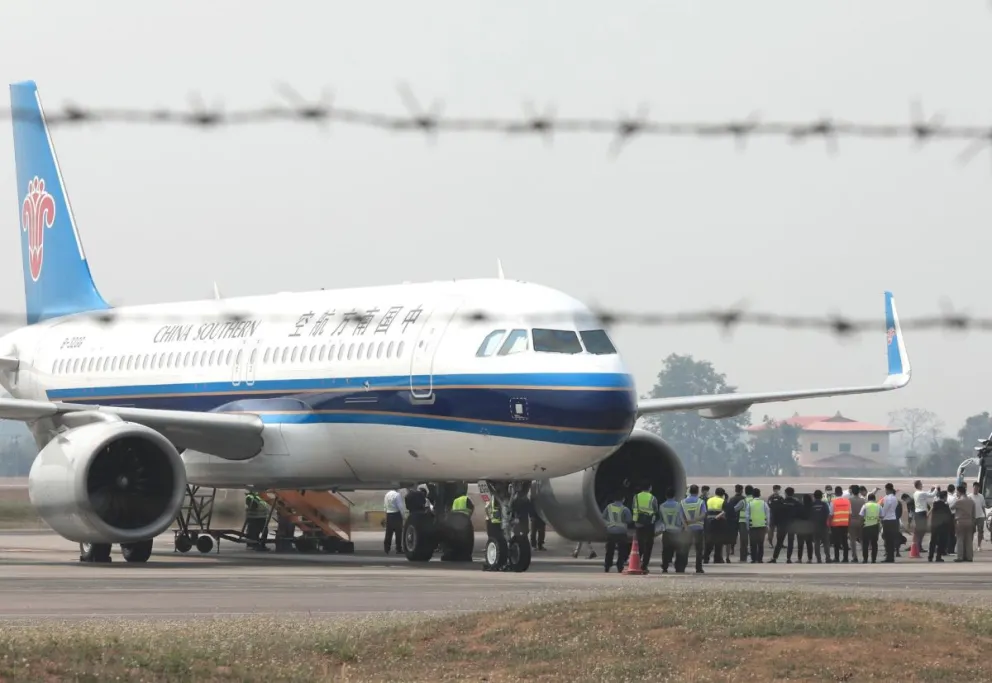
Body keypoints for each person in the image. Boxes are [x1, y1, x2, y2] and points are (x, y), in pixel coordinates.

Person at [632, 482, 660, 571]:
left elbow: (633, 507)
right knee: (648, 544)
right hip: (649, 523)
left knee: (640, 543)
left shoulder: (636, 497)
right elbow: (656, 509)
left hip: (638, 522)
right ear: (649, 488)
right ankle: (644, 565)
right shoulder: (652, 498)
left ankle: (637, 562)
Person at [601, 493, 632, 572]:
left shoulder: (609, 507)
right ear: (623, 499)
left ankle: (607, 565)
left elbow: (603, 517)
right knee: (622, 550)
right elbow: (629, 520)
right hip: (621, 532)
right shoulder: (625, 509)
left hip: (611, 531)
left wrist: (608, 525)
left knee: (609, 550)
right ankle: (620, 565)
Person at [679, 484, 706, 574]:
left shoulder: (683, 502)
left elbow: (681, 516)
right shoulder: (700, 502)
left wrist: (686, 526)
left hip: (687, 529)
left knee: (685, 548)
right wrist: (695, 520)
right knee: (699, 550)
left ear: (689, 491)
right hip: (698, 528)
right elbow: (703, 514)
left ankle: (682, 567)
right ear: (697, 492)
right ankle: (698, 568)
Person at [771, 487, 801, 563]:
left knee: (779, 542)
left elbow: (776, 513)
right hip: (792, 525)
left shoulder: (781, 502)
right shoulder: (797, 503)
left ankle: (774, 558)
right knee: (790, 542)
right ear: (793, 493)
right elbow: (800, 514)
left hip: (782, 525)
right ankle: (788, 558)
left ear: (786, 493)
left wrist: (776, 523)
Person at [659, 488, 683, 573]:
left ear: (666, 496)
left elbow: (661, 520)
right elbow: (682, 518)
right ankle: (678, 567)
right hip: (677, 531)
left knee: (666, 550)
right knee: (679, 550)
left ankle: (665, 566)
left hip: (667, 531)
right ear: (674, 496)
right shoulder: (679, 505)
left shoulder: (661, 506)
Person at [745, 487, 770, 563]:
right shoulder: (764, 503)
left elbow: (747, 516)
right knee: (761, 544)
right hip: (762, 526)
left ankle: (753, 558)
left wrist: (747, 526)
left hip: (752, 526)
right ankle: (760, 559)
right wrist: (767, 525)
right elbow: (768, 515)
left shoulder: (750, 504)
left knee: (753, 544)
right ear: (759, 494)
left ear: (752, 495)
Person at [704, 487, 727, 563]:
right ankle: (717, 558)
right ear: (722, 494)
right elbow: (725, 511)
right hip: (719, 522)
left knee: (709, 541)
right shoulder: (722, 501)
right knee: (718, 541)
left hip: (709, 522)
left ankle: (706, 557)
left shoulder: (709, 500)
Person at [953, 483, 976, 562]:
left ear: (959, 492)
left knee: (960, 540)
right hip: (969, 522)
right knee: (969, 540)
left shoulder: (959, 501)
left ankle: (960, 557)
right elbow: (974, 513)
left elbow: (951, 507)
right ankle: (969, 557)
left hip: (960, 522)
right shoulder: (971, 501)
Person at [927, 490, 952, 562]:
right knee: (941, 542)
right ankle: (938, 557)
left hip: (934, 526)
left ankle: (930, 557)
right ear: (944, 497)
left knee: (933, 542)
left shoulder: (935, 504)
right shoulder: (945, 506)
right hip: (942, 527)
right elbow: (948, 517)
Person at [912, 480, 935, 555]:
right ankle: (918, 546)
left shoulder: (916, 493)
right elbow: (931, 495)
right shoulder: (921, 493)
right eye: (921, 484)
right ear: (919, 485)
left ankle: (918, 546)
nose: (922, 485)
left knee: (920, 531)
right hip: (921, 513)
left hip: (917, 513)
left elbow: (926, 494)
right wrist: (937, 489)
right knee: (922, 531)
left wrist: (931, 490)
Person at [828, 486, 851, 563]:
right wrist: (849, 523)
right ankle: (845, 558)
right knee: (845, 542)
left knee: (836, 542)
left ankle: (837, 558)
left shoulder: (833, 502)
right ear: (841, 493)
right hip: (845, 524)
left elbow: (831, 514)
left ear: (835, 493)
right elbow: (850, 514)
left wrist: (829, 524)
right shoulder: (847, 501)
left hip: (836, 524)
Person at [734, 485, 754, 562]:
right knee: (754, 541)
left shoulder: (743, 501)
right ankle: (754, 557)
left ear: (745, 492)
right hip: (754, 523)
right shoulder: (755, 501)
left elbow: (735, 509)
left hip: (743, 523)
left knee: (743, 542)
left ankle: (743, 558)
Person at [859, 493, 881, 563]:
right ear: (874, 499)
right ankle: (873, 559)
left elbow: (861, 515)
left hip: (866, 526)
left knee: (865, 544)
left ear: (868, 499)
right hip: (875, 526)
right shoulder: (878, 506)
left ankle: (865, 559)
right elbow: (882, 515)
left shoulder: (865, 505)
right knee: (874, 543)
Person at [880, 483, 899, 563]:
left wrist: (881, 516)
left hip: (887, 520)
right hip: (893, 519)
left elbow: (884, 509)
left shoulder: (887, 498)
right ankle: (891, 557)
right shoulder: (895, 498)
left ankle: (889, 557)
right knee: (891, 540)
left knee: (887, 540)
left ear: (887, 489)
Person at [810, 489, 831, 563]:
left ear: (814, 496)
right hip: (824, 526)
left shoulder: (811, 504)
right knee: (826, 543)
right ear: (822, 496)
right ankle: (828, 558)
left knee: (816, 543)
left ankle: (818, 559)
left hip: (815, 526)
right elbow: (828, 514)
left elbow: (810, 516)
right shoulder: (824, 504)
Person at [383, 488, 405, 554]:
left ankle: (386, 548)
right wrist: (403, 516)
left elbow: (385, 506)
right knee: (398, 533)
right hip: (396, 515)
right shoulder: (397, 495)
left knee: (388, 533)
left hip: (389, 514)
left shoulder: (387, 494)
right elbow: (400, 506)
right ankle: (398, 549)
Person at [726, 484, 745, 558]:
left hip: (733, 519)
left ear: (735, 490)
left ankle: (732, 549)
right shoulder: (744, 499)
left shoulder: (732, 499)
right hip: (742, 519)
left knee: (734, 535)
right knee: (743, 535)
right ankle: (743, 550)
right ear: (741, 490)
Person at [847, 485, 865, 563]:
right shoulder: (863, 500)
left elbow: (848, 513)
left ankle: (855, 557)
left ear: (852, 491)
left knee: (852, 540)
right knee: (862, 540)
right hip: (861, 521)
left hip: (852, 522)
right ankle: (865, 556)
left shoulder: (849, 500)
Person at [794, 493, 814, 563]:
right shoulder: (812, 508)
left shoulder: (800, 507)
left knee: (800, 544)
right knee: (809, 544)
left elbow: (796, 517)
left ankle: (799, 558)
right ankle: (810, 558)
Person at [971, 481, 986, 553]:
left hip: (980, 516)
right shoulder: (969, 496)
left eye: (977, 488)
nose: (975, 489)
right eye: (974, 488)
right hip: (972, 517)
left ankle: (979, 546)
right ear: (973, 488)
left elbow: (983, 506)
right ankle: (970, 545)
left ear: (979, 489)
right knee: (971, 532)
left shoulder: (981, 496)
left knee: (980, 532)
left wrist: (985, 515)